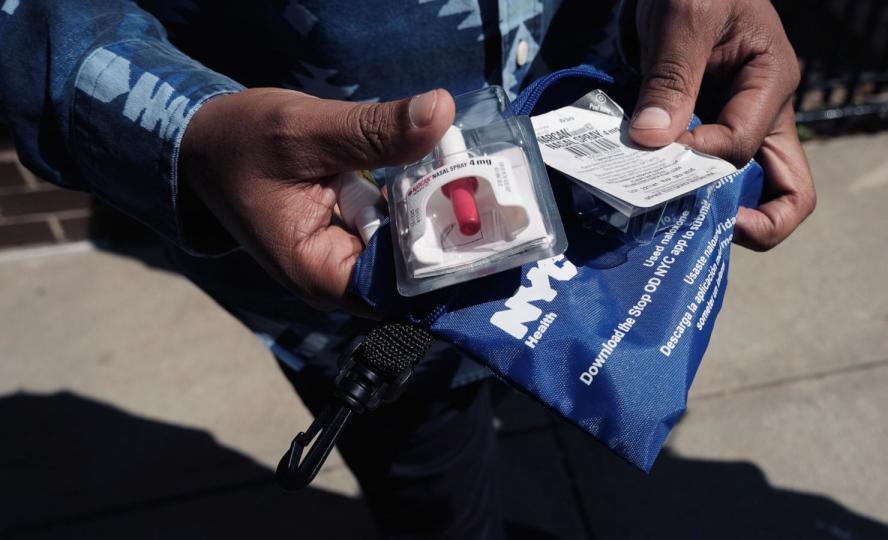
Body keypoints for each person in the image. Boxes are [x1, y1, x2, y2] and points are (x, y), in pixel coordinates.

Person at [0, 1, 815, 538]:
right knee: (433, 478)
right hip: (339, 256)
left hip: (593, 178)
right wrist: (188, 129)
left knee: (516, 398)